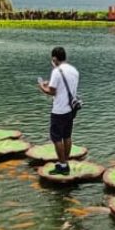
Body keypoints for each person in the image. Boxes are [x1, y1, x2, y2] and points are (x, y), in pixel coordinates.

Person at [38, 46, 79, 175]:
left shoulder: (57, 71)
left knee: (56, 138)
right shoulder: (74, 70)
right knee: (67, 136)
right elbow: (65, 87)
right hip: (71, 109)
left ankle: (62, 165)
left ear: (55, 58)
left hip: (59, 110)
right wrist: (51, 81)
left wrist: (41, 86)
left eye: (53, 59)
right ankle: (65, 162)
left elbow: (51, 91)